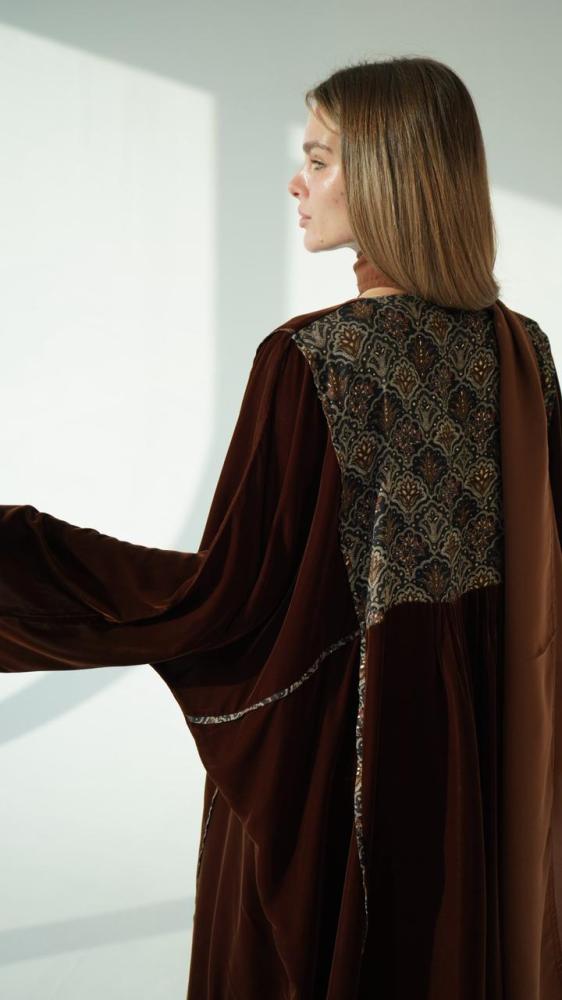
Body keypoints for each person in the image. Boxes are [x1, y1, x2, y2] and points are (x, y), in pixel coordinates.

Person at [1, 55, 561, 1000]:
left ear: (388, 174)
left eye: (319, 160)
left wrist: (22, 554)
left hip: (339, 764)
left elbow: (225, 599)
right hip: (479, 760)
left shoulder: (315, 358)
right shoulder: (520, 349)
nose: (297, 184)